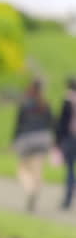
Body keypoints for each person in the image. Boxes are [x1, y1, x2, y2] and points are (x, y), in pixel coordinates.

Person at [12, 79, 55, 212]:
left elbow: (18, 124)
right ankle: (35, 190)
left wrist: (14, 140)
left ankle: (30, 189)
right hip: (43, 140)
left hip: (26, 140)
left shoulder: (25, 104)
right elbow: (52, 122)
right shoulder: (45, 104)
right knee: (38, 170)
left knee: (22, 169)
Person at [54, 77, 76, 210]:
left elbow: (61, 123)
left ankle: (67, 198)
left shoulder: (67, 101)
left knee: (70, 169)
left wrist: (57, 141)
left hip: (71, 138)